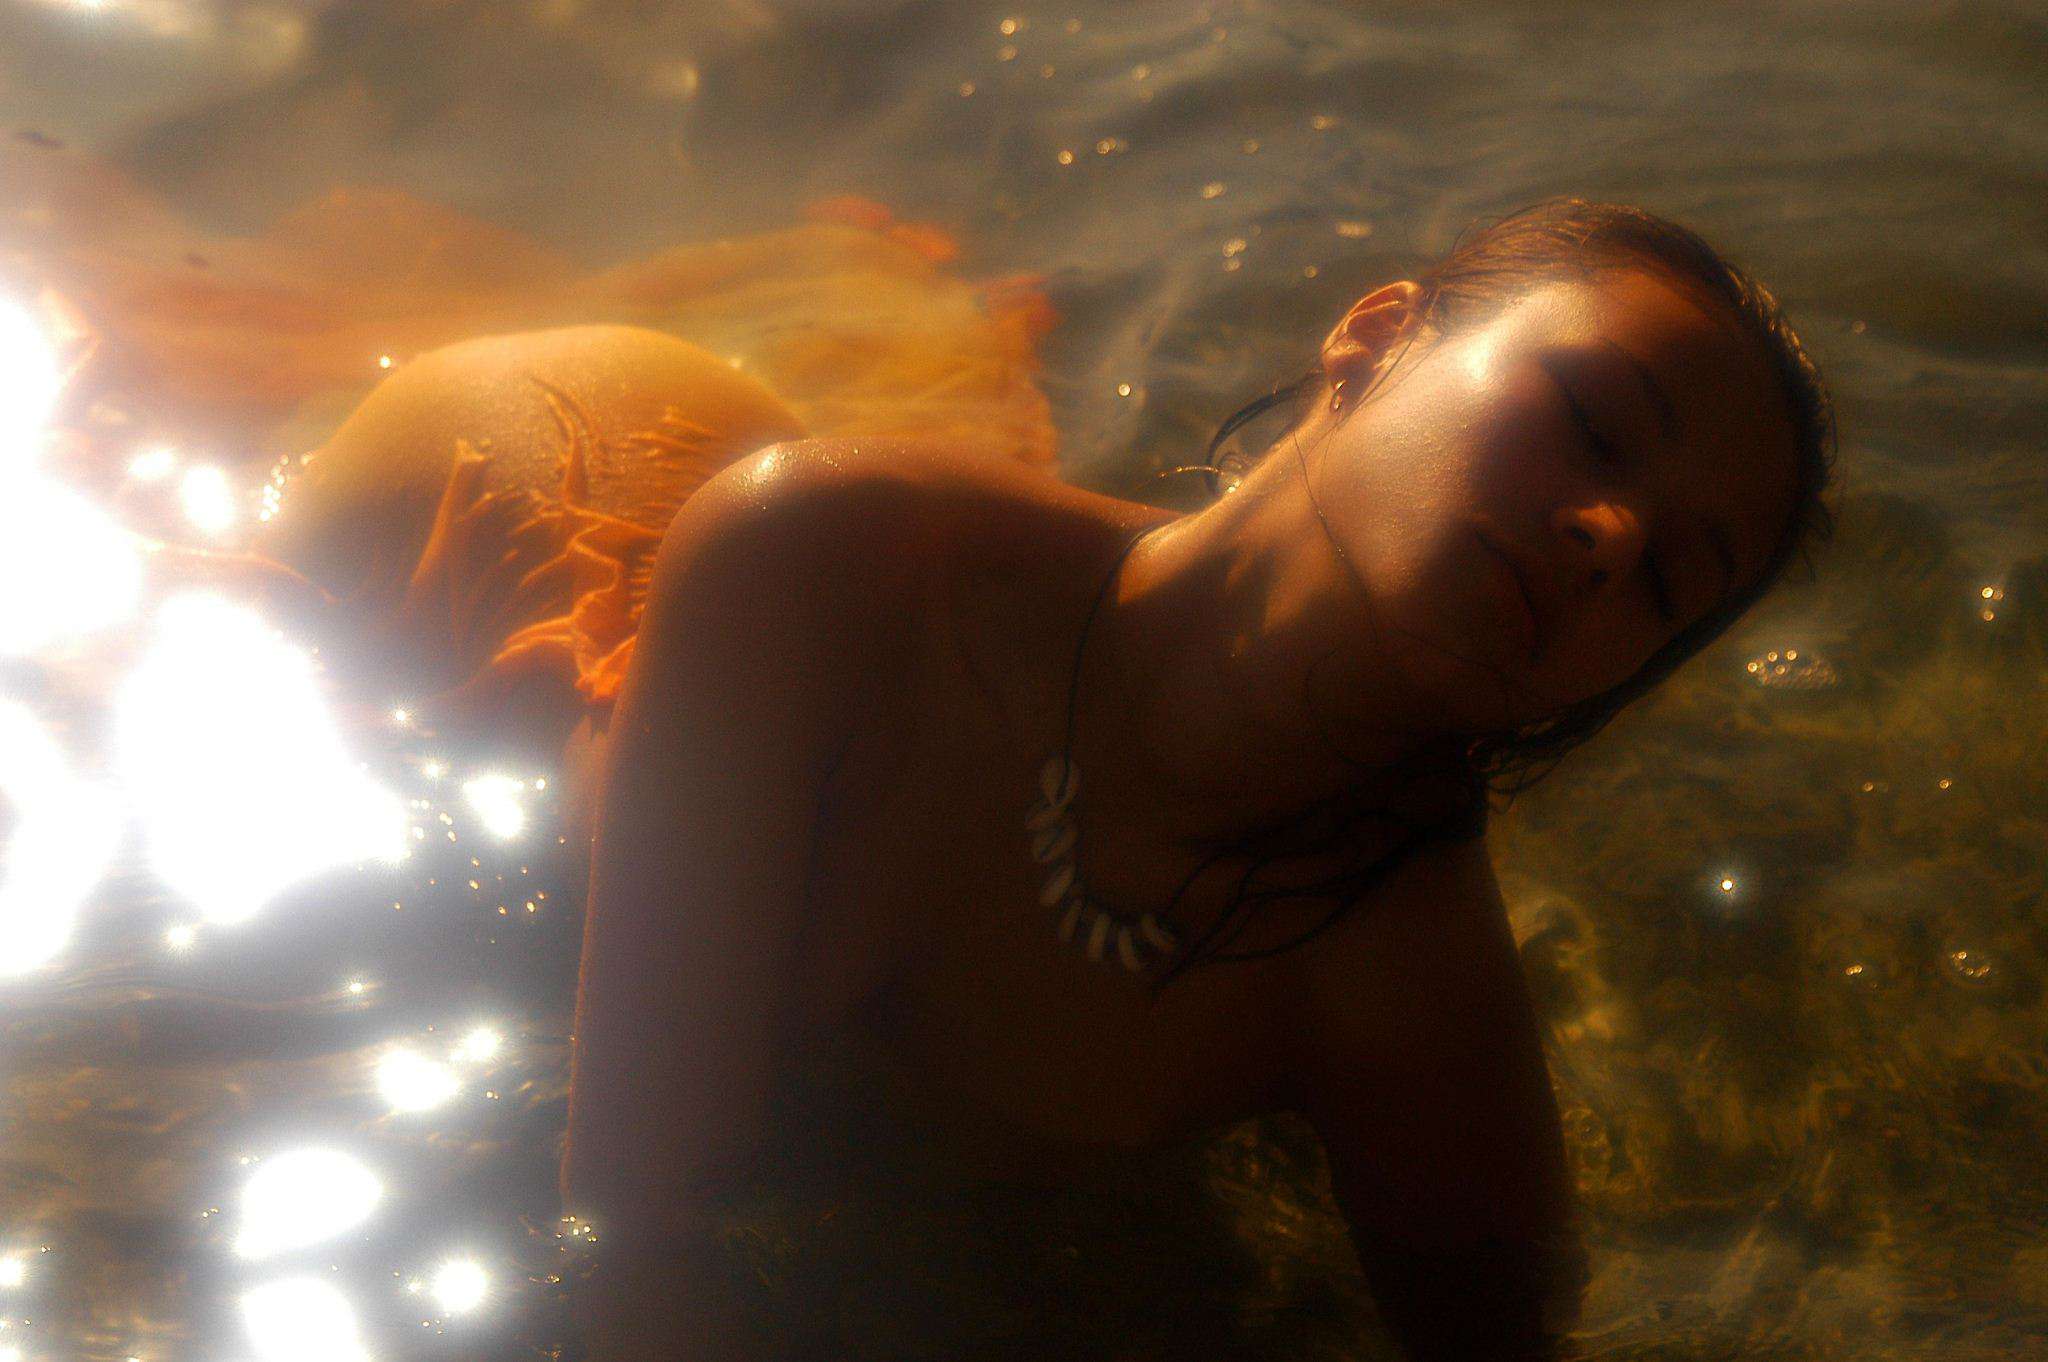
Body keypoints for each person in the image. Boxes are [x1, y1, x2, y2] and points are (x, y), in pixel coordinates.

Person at [275, 197, 1840, 1359]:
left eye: (1672, 579)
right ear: (1378, 335)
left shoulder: (1404, 990)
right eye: (1593, 424)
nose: (1608, 534)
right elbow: (634, 1237)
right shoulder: (822, 564)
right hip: (481, 485)